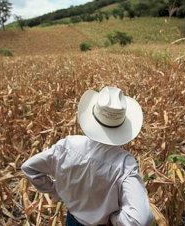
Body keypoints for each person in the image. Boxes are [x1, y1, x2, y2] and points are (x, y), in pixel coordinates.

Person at [21, 86, 154, 226]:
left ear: (93, 116)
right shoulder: (124, 164)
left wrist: (57, 191)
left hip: (73, 220)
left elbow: (29, 168)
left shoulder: (67, 146)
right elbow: (139, 220)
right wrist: (114, 219)